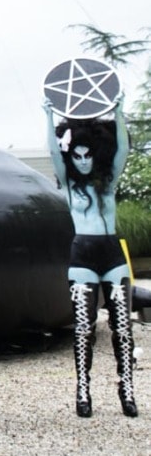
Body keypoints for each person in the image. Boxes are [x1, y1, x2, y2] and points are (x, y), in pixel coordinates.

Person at [45, 98, 137, 417]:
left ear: (95, 154)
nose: (83, 161)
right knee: (83, 327)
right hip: (82, 254)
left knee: (122, 326)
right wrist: (49, 115)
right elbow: (55, 154)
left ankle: (126, 389)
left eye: (88, 155)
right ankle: (83, 391)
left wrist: (119, 113)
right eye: (78, 156)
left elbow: (123, 152)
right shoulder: (70, 186)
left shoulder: (107, 184)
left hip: (111, 253)